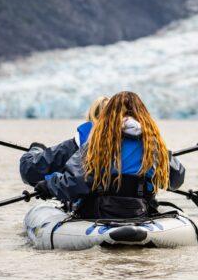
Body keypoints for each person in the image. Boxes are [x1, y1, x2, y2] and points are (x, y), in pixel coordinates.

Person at [21, 91, 186, 219]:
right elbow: (176, 179)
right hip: (139, 214)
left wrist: (49, 185)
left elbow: (75, 182)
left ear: (110, 114)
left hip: (97, 215)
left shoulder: (96, 145)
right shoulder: (154, 146)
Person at [20, 96, 110, 189]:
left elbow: (29, 170)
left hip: (91, 202)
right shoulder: (123, 145)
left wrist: (36, 149)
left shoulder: (72, 147)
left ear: (90, 116)